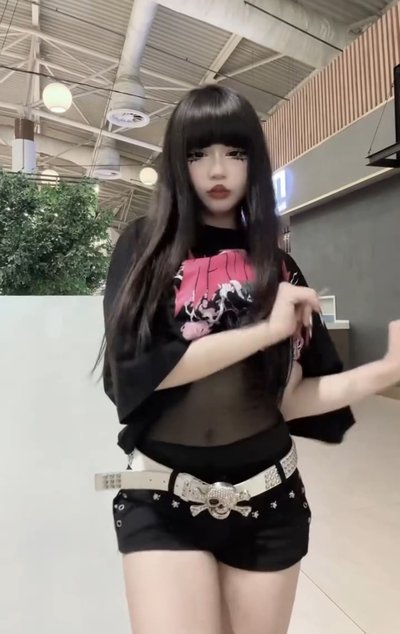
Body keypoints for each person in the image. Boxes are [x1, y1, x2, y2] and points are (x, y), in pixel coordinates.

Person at [94, 85, 400, 634]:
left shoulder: (278, 267)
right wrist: (263, 332)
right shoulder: (144, 249)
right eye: (198, 153)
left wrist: (387, 370)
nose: (218, 169)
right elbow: (137, 371)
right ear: (177, 162)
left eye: (235, 153)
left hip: (269, 498)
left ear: (253, 163)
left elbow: (292, 399)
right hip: (163, 497)